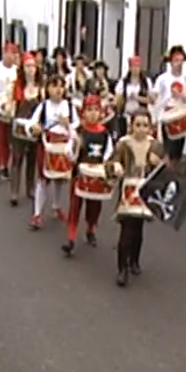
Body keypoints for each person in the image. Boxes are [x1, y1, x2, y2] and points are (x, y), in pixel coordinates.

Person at [108, 111, 164, 286]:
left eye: (145, 125)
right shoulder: (123, 144)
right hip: (128, 191)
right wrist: (115, 166)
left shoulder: (155, 145)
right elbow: (111, 162)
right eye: (137, 125)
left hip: (144, 191)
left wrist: (158, 163)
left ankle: (134, 259)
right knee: (126, 229)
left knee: (138, 229)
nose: (141, 129)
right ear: (131, 126)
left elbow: (163, 170)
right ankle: (122, 268)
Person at [61, 95, 114, 255]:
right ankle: (70, 237)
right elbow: (69, 151)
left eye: (96, 110)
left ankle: (91, 228)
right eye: (89, 110)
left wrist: (104, 166)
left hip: (97, 175)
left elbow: (108, 152)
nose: (92, 114)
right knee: (75, 205)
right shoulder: (79, 132)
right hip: (80, 174)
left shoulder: (105, 133)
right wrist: (75, 148)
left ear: (101, 113)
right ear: (83, 113)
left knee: (94, 206)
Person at [28, 75, 79, 229]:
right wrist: (35, 128)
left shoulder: (69, 106)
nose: (58, 89)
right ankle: (37, 213)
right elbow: (32, 123)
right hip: (46, 145)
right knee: (43, 179)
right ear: (48, 88)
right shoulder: (43, 106)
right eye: (54, 86)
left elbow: (77, 124)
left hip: (63, 146)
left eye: (61, 86)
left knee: (60, 178)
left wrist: (68, 124)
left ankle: (56, 206)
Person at [153, 45, 186, 165]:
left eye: (181, 61)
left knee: (177, 152)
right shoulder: (163, 79)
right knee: (167, 150)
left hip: (181, 117)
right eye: (176, 60)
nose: (179, 64)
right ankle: (166, 175)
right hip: (167, 116)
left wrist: (182, 95)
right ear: (171, 62)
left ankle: (174, 175)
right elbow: (155, 97)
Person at [9, 52, 45, 206]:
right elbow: (12, 105)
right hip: (19, 127)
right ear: (22, 68)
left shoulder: (41, 88)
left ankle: (29, 188)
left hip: (34, 128)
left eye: (33, 66)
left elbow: (44, 108)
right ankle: (14, 191)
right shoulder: (17, 85)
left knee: (32, 159)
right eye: (27, 66)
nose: (31, 69)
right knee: (17, 158)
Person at [0, 43, 19, 183]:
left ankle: (5, 166)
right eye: (8, 53)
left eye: (13, 54)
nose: (10, 56)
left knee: (8, 141)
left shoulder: (18, 71)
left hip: (13, 110)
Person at [114, 55, 153, 138]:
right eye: (133, 67)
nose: (135, 69)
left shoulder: (146, 82)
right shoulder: (123, 82)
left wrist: (137, 98)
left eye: (137, 67)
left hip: (141, 115)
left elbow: (151, 100)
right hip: (126, 115)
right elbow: (117, 99)